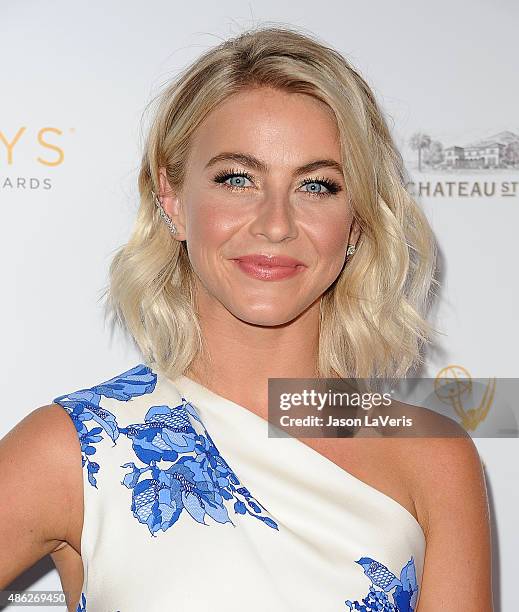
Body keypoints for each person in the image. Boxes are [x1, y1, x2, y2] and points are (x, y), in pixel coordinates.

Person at [0, 24, 492, 612]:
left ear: (356, 222)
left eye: (316, 185)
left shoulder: (432, 456)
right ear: (173, 198)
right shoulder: (73, 449)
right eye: (237, 178)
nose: (275, 222)